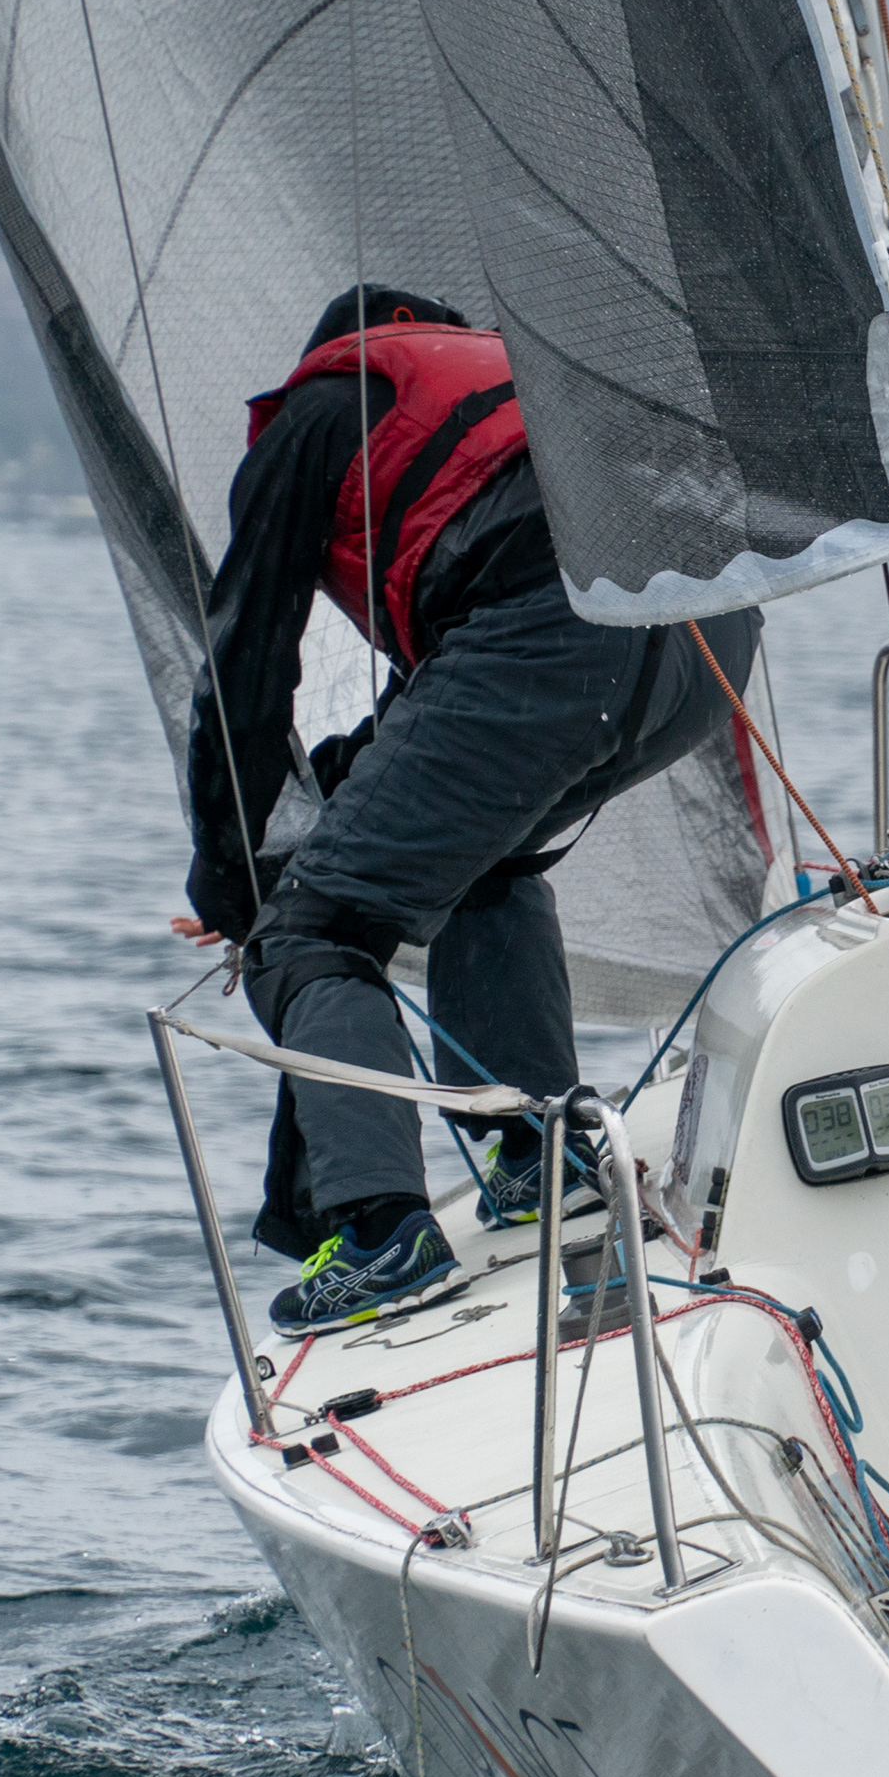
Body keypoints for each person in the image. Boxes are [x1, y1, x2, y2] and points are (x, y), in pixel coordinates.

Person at [173, 286, 758, 1331]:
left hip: (555, 629)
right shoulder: (502, 390)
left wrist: (234, 880)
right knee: (483, 849)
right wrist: (327, 813)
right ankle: (542, 1155)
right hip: (705, 633)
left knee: (311, 939)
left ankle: (381, 1235)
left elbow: (242, 679)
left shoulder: (320, 411)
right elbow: (447, 733)